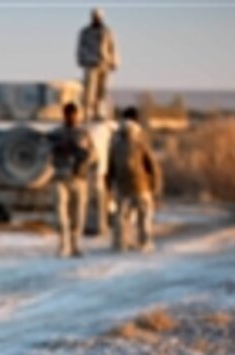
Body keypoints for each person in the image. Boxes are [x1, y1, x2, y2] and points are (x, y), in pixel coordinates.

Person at [107, 107, 162, 252]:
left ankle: (120, 244)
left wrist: (108, 186)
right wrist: (155, 186)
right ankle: (144, 243)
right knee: (144, 217)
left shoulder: (115, 142)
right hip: (141, 186)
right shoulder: (141, 140)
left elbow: (110, 166)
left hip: (122, 187)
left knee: (121, 217)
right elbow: (151, 165)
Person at [48, 103, 96, 258]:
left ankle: (75, 244)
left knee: (78, 214)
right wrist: (57, 148)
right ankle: (63, 244)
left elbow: (94, 155)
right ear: (64, 115)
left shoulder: (83, 134)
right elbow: (45, 152)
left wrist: (83, 160)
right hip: (60, 176)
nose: (72, 117)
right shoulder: (56, 134)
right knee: (60, 213)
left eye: (74, 114)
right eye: (69, 114)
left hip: (78, 178)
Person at [77, 7, 119, 121]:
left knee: (103, 90)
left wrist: (115, 61)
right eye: (94, 16)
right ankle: (87, 113)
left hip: (104, 63)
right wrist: (82, 59)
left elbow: (112, 47)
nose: (96, 18)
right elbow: (80, 47)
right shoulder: (85, 32)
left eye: (98, 16)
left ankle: (99, 113)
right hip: (90, 63)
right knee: (89, 90)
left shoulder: (107, 31)